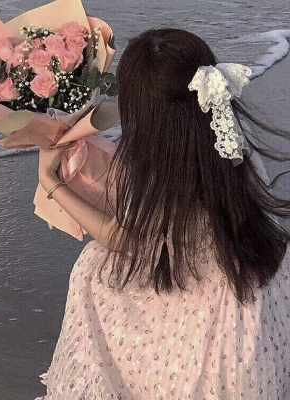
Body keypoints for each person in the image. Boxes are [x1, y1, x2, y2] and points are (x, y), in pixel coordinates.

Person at [34, 28, 290, 399]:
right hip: (253, 309)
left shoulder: (167, 169)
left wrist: (51, 181)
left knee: (93, 268)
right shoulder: (226, 136)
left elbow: (122, 239)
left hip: (217, 342)